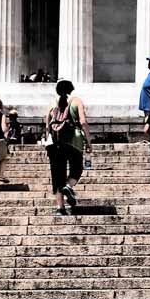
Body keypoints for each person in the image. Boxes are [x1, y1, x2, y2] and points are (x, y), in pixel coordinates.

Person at [43, 80, 90, 215]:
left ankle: (60, 208)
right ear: (71, 89)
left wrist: (48, 142)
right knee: (77, 168)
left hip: (53, 142)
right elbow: (83, 122)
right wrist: (89, 142)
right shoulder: (76, 101)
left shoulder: (52, 104)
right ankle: (68, 186)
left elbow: (47, 126)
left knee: (57, 174)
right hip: (72, 140)